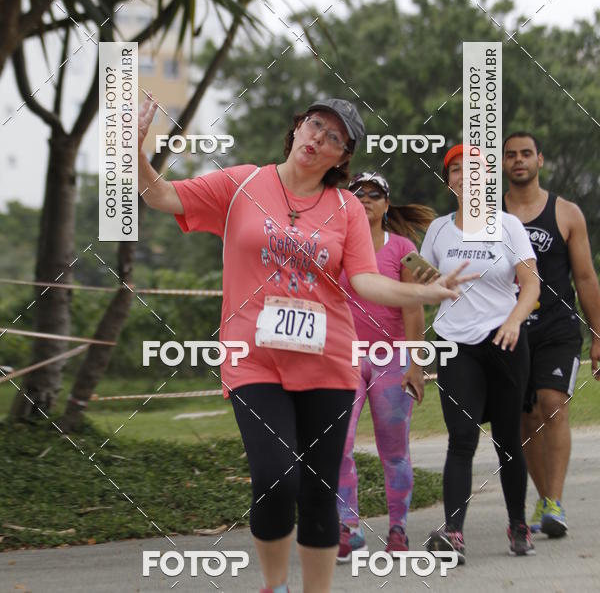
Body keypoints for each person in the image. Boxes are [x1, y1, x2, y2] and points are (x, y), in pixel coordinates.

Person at [138, 95, 473, 593]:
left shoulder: (345, 208)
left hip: (328, 364)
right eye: (316, 125)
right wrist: (133, 153)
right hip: (254, 360)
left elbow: (365, 281)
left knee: (320, 491)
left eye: (335, 137)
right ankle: (274, 585)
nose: (320, 138)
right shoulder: (243, 183)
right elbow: (161, 197)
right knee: (276, 478)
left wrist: (422, 291)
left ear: (343, 157)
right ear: (297, 128)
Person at [422, 144, 541, 561]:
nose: (463, 176)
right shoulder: (437, 231)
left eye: (472, 169)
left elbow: (531, 285)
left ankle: (518, 523)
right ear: (449, 180)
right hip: (456, 345)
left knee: (509, 438)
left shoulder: (508, 226)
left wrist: (513, 321)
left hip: (505, 342)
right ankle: (453, 531)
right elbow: (422, 286)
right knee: (461, 438)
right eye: (455, 170)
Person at [502, 131, 600, 537]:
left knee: (552, 403)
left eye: (526, 154)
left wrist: (597, 336)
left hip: (558, 328)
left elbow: (585, 277)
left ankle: (555, 501)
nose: (519, 161)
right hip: (508, 329)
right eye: (511, 156)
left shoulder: (567, 213)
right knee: (525, 416)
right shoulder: (488, 215)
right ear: (503, 165)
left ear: (540, 160)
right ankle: (543, 497)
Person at [336, 171, 435, 561]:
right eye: (357, 193)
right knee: (337, 444)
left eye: (374, 194)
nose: (365, 199)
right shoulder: (338, 245)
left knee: (393, 449)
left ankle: (398, 529)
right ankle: (349, 527)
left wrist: (416, 365)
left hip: (391, 359)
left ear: (386, 204)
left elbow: (414, 308)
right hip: (344, 357)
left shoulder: (403, 249)